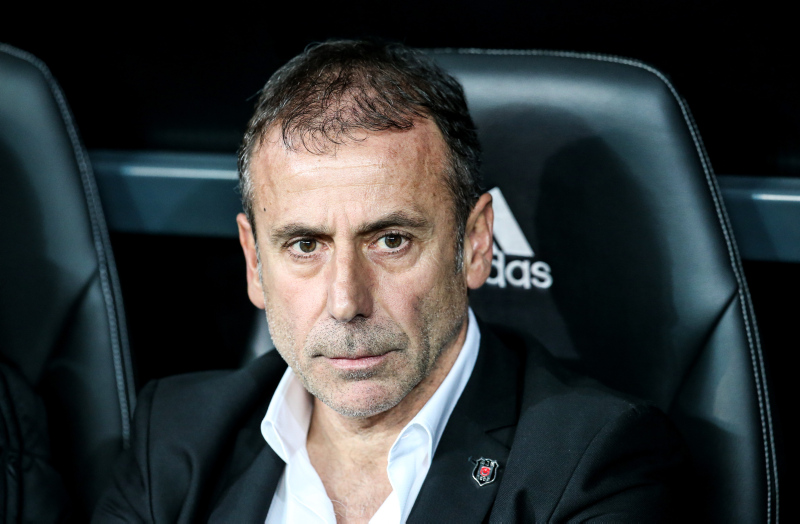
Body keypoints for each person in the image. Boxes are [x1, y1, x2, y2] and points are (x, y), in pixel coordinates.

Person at [92, 39, 686, 523]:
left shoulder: (593, 461)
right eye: (305, 245)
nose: (346, 301)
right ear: (254, 262)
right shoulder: (174, 436)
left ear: (475, 244)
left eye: (391, 240)